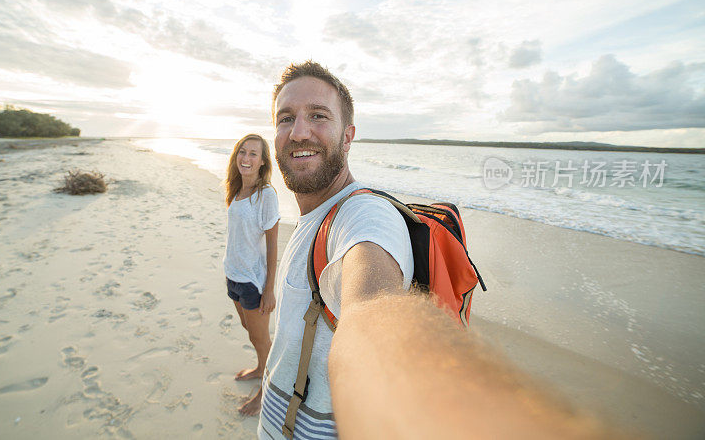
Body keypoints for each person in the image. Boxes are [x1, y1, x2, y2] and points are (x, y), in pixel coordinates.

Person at [259, 61, 612, 439]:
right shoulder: (310, 217)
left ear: (348, 136)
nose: (298, 132)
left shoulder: (364, 217)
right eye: (285, 118)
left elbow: (371, 313)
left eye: (318, 115)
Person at [222, 134, 280, 416]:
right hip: (232, 275)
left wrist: (269, 289)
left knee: (261, 339)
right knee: (251, 333)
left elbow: (272, 247)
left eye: (253, 154)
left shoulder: (265, 195)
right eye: (242, 152)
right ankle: (260, 368)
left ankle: (266, 393)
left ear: (262, 161)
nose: (246, 158)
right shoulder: (235, 189)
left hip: (252, 283)